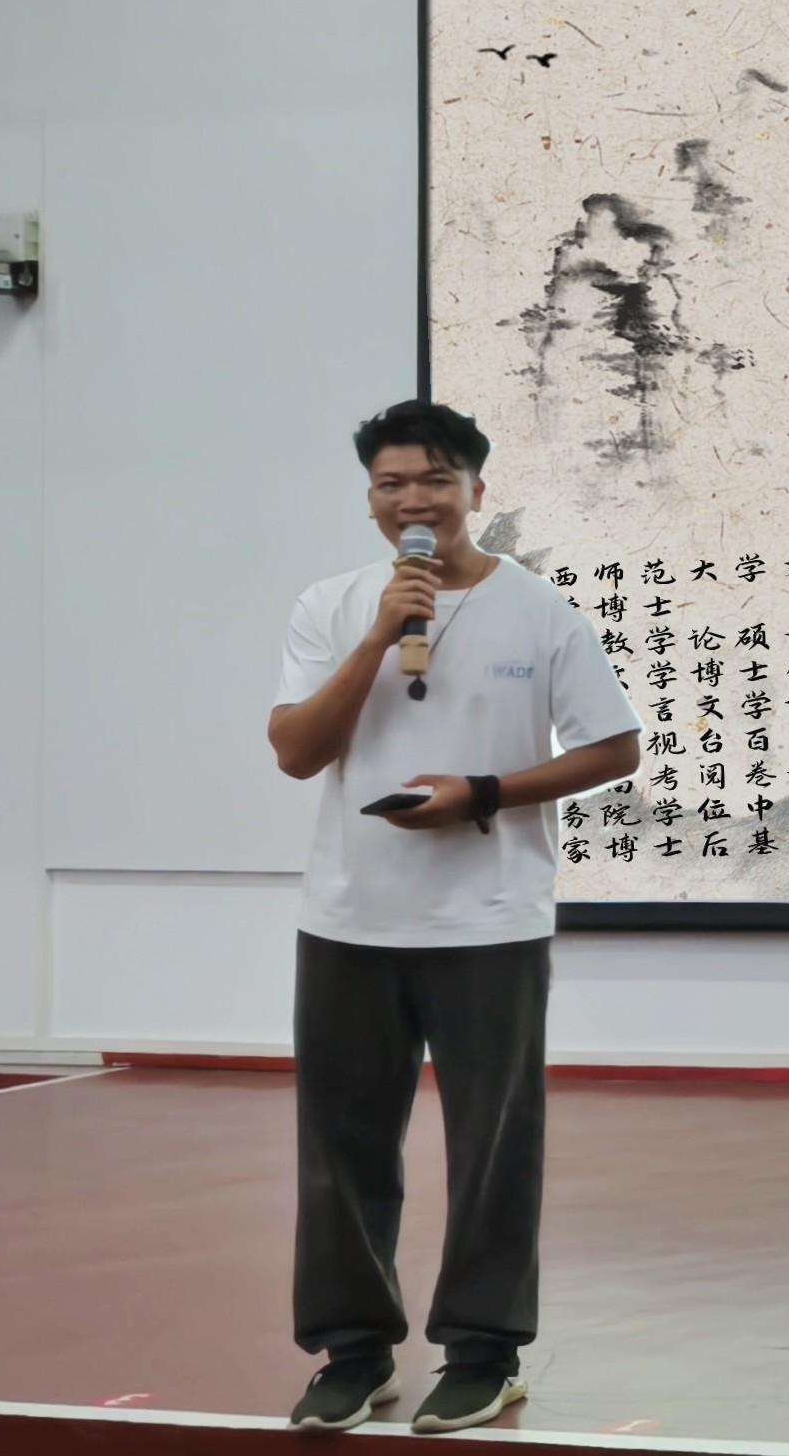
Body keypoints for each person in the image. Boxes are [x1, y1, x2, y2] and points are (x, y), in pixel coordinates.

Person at [267, 402, 641, 1435]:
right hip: (348, 919)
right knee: (340, 1149)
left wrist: (483, 792)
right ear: (370, 498)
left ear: (476, 488)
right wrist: (379, 636)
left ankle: (484, 1354)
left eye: (435, 479)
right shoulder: (333, 605)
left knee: (493, 1148)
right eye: (391, 483)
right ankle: (353, 1354)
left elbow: (615, 747)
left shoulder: (541, 611)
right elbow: (296, 750)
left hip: (489, 923)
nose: (414, 500)